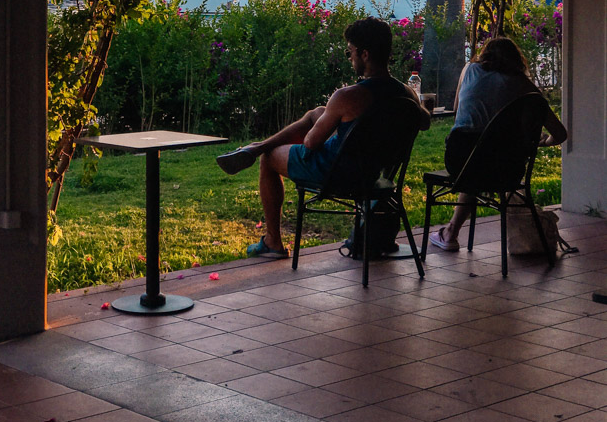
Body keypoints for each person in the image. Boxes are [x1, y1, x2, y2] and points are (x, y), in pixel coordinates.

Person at [216, 17, 431, 258]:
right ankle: (256, 146)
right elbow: (424, 121)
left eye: (350, 52)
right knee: (317, 113)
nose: (349, 57)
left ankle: (272, 240)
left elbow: (310, 143)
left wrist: (325, 128)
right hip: (372, 171)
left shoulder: (347, 96)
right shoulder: (406, 94)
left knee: (270, 157)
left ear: (365, 54)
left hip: (337, 172)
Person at [429, 36, 567, 251]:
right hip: (506, 169)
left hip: (461, 161)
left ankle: (450, 234)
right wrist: (541, 142)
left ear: (485, 55)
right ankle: (452, 233)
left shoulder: (469, 70)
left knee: (476, 164)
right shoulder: (523, 85)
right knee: (486, 159)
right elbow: (559, 133)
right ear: (517, 60)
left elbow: (457, 108)